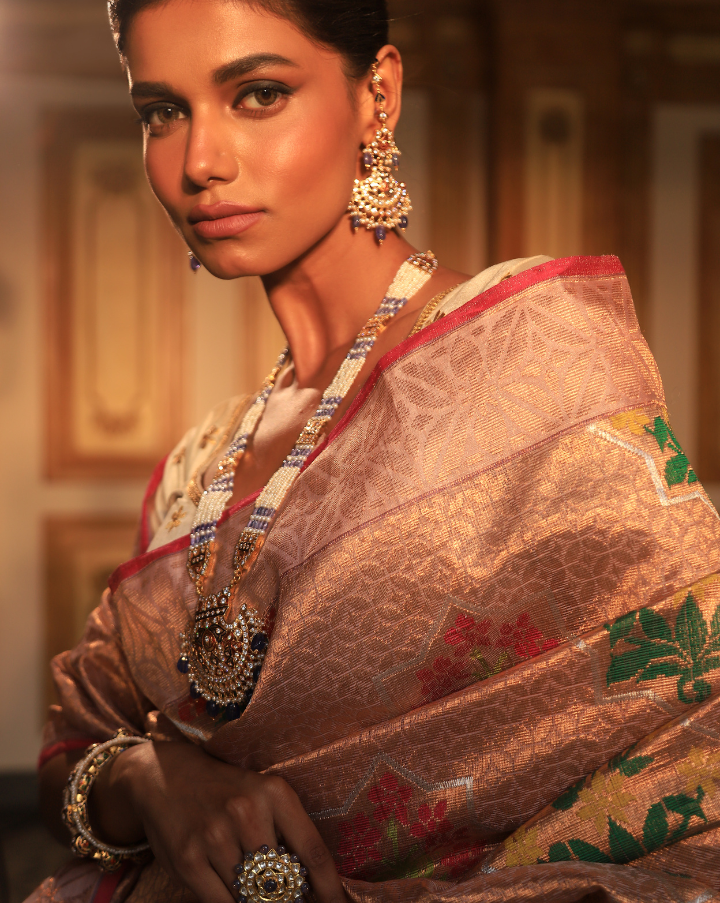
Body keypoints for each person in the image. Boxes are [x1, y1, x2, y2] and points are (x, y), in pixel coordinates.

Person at [29, 1, 720, 902]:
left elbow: (693, 737)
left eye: (258, 94)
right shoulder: (194, 475)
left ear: (377, 96)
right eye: (162, 111)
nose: (199, 161)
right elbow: (76, 741)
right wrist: (150, 777)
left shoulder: (533, 359)